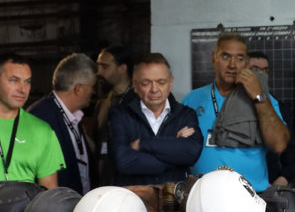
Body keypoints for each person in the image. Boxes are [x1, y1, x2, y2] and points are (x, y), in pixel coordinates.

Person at [182, 31, 290, 191]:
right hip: (203, 194)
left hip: (250, 195)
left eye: (239, 59)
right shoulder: (192, 99)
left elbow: (279, 144)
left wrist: (258, 96)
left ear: (246, 63)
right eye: (226, 56)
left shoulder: (264, 99)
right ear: (214, 58)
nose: (232, 65)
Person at [0, 52, 64, 188]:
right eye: (14, 80)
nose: (22, 89)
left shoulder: (42, 131)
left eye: (27, 82)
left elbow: (49, 192)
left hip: (23, 203)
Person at [107, 53, 203, 185]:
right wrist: (175, 155)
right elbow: (123, 161)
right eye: (146, 83)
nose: (154, 89)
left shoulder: (186, 114)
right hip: (133, 196)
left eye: (161, 82)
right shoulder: (120, 114)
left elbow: (191, 153)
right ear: (135, 85)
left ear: (170, 83)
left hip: (174, 197)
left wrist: (143, 144)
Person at [28, 52, 99, 193]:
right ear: (79, 89)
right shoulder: (39, 118)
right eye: (92, 86)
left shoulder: (72, 115)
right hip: (56, 204)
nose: (94, 92)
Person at [248, 49, 295, 188]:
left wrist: (283, 179)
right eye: (254, 70)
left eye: (265, 70)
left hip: (268, 186)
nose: (261, 75)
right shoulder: (227, 105)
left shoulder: (278, 107)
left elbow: (291, 150)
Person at [95, 45, 134, 184]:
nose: (98, 72)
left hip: (131, 183)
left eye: (104, 67)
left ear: (122, 69)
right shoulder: (102, 104)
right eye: (98, 66)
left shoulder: (140, 103)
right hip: (104, 181)